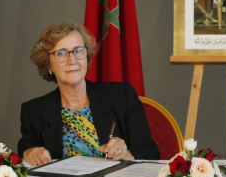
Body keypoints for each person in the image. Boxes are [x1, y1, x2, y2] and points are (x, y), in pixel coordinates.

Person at [18, 20, 159, 166]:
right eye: (61, 53)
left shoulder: (122, 96)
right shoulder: (33, 111)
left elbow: (152, 153)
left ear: (86, 55)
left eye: (78, 50)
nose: (72, 60)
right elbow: (25, 152)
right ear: (48, 64)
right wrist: (29, 153)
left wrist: (127, 154)